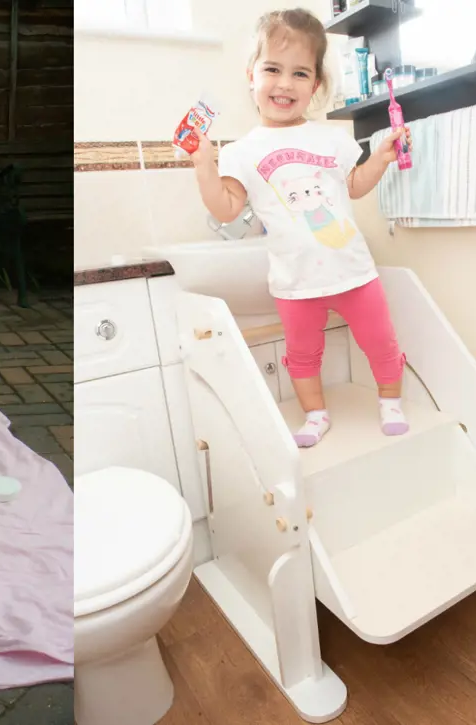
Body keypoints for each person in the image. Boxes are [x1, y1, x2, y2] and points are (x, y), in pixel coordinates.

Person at [190, 7, 412, 448]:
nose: (285, 83)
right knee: (303, 357)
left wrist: (382, 159)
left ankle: (391, 401)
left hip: (352, 270)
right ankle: (315, 413)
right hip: (294, 281)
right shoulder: (241, 152)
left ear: (315, 85)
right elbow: (228, 209)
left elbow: (354, 184)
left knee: (381, 341)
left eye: (299, 73)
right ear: (251, 74)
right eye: (273, 68)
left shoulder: (331, 138)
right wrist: (203, 163)